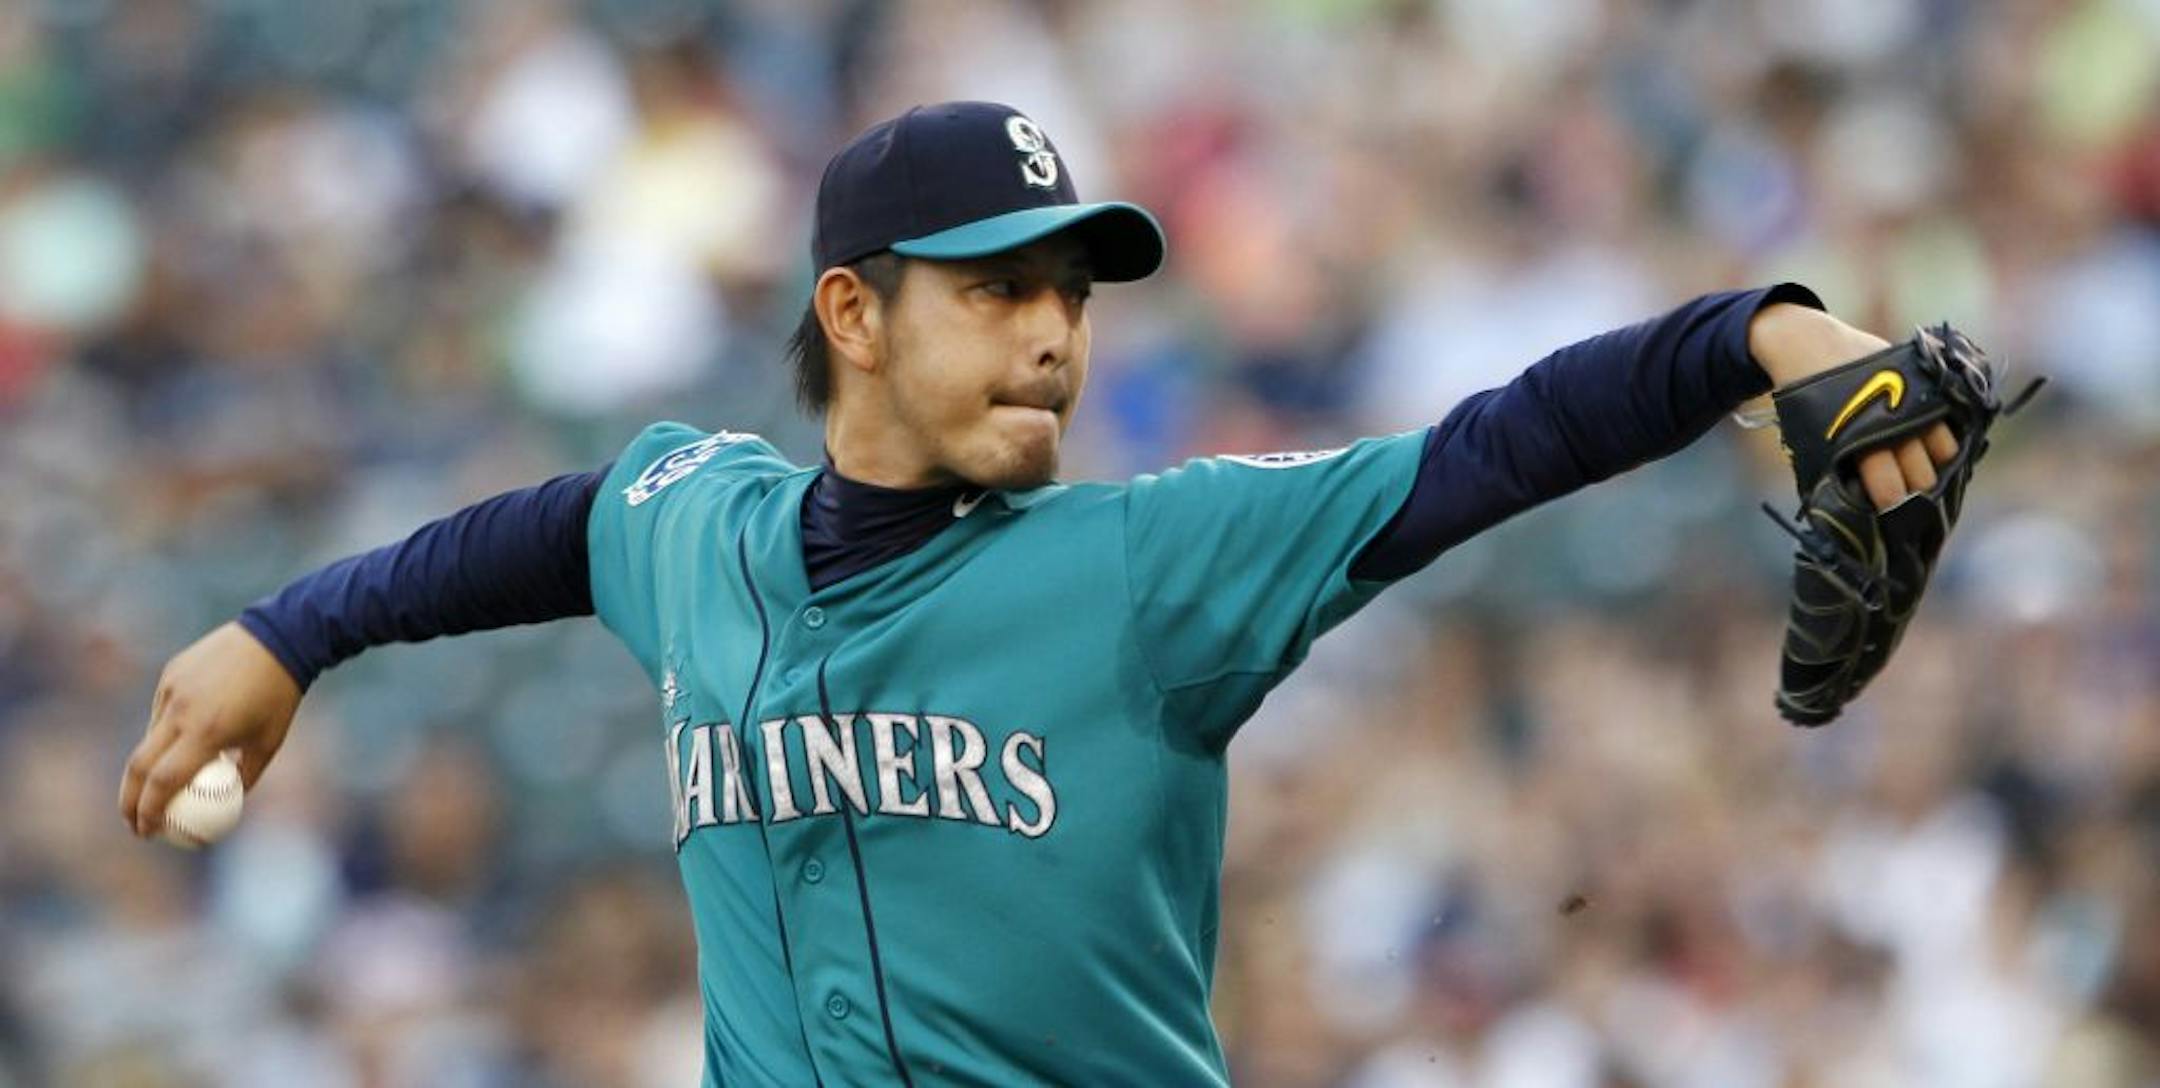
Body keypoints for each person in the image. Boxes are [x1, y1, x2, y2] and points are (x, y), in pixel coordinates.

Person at [118, 101, 1957, 1085]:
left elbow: (1489, 445)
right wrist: (290, 633)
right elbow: (541, 524)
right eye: (999, 291)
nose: (1056, 335)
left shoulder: (1150, 567)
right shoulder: (700, 527)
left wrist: (1753, 333)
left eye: (1074, 295)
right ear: (854, 313)